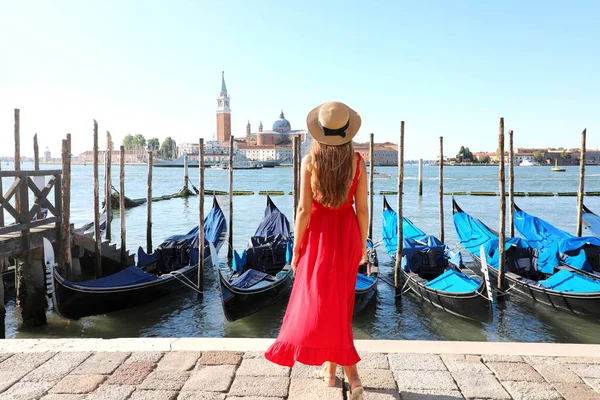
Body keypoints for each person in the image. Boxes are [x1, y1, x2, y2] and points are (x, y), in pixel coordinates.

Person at [265, 101, 368, 400]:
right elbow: (361, 209)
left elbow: (303, 210)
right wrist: (362, 245)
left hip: (319, 237)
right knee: (340, 303)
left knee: (320, 301)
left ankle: (352, 375)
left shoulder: (310, 161)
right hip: (347, 234)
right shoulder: (358, 163)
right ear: (346, 132)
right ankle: (331, 370)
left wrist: (297, 248)